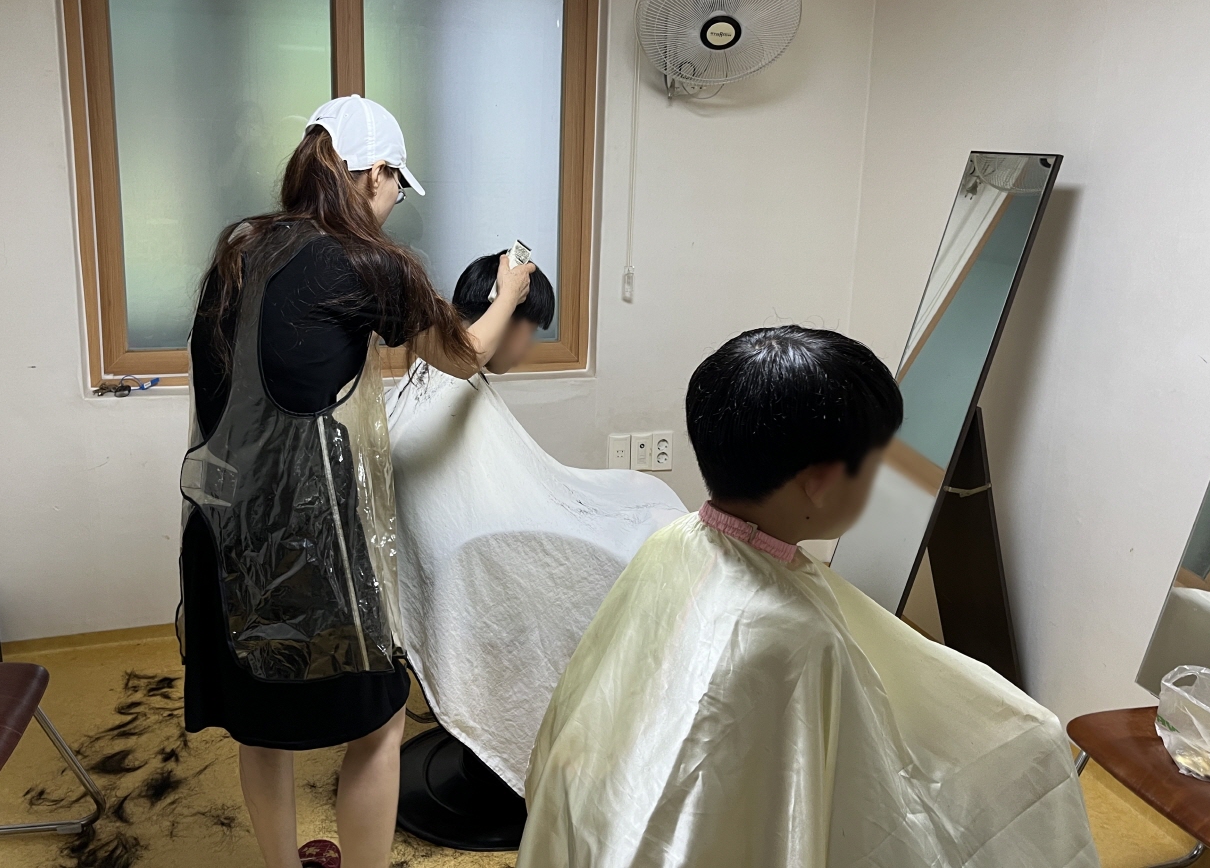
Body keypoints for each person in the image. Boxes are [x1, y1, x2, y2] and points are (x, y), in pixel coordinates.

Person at [519, 326, 1098, 868]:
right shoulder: (790, 638)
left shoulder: (676, 539)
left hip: (604, 817)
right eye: (875, 466)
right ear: (820, 483)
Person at [180, 95, 535, 868]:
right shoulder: (370, 262)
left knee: (261, 727)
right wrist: (509, 293)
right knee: (377, 725)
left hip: (221, 532)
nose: (395, 199)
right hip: (317, 546)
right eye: (397, 183)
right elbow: (465, 354)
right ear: (375, 173)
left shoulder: (238, 250)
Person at [384, 253, 685, 793]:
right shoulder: (454, 388)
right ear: (510, 319)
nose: (527, 349)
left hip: (457, 550)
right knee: (649, 549)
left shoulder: (428, 377)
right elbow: (496, 510)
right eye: (532, 331)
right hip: (479, 556)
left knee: (642, 492)